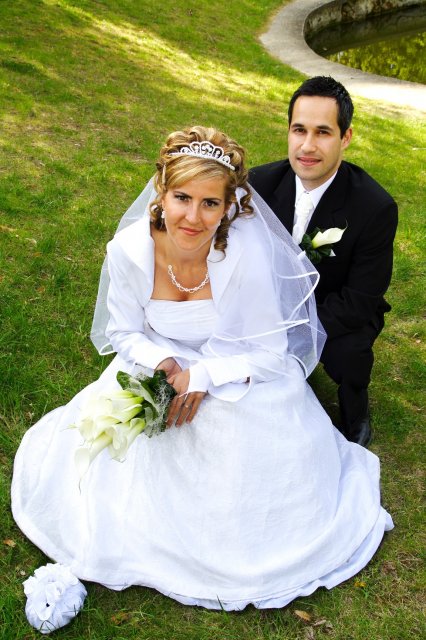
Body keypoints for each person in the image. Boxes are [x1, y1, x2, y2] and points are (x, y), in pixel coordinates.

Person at [12, 126, 393, 613]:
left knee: (229, 448)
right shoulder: (129, 250)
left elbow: (271, 351)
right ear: (161, 192)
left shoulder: (244, 252)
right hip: (158, 362)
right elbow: (123, 332)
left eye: (210, 203)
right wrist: (164, 364)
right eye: (182, 198)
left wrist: (204, 376)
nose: (193, 217)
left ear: (230, 205)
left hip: (238, 368)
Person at [249, 76, 398, 447]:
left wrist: (295, 332)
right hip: (268, 305)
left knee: (349, 354)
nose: (307, 146)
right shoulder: (258, 186)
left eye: (323, 132)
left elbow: (360, 299)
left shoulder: (375, 207)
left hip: (337, 311)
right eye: (299, 130)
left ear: (346, 137)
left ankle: (355, 407)